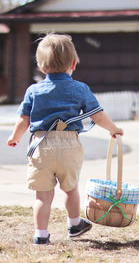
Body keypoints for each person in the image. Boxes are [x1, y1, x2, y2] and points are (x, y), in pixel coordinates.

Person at [7, 33, 123, 245]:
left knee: (42, 196)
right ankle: (74, 224)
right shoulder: (80, 88)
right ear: (74, 63)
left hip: (41, 145)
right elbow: (97, 115)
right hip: (69, 144)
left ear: (41, 67)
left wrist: (15, 137)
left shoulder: (33, 90)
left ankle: (41, 235)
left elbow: (23, 120)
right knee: (70, 189)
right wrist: (113, 129)